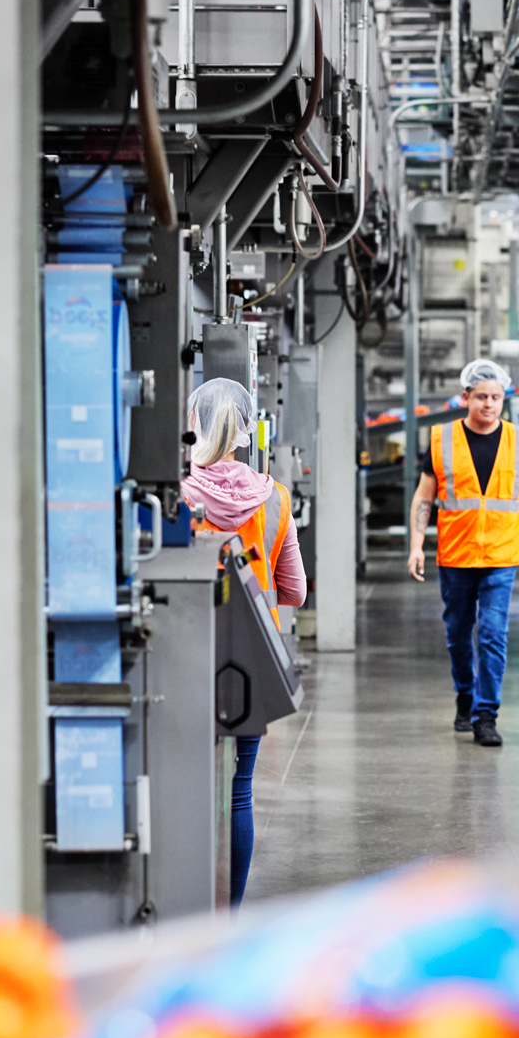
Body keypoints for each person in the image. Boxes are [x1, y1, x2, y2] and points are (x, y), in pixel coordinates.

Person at [180, 378, 307, 908]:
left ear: (195, 424)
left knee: (183, 781)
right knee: (239, 791)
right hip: (250, 662)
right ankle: (228, 910)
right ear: (246, 429)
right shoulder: (274, 496)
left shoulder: (179, 492)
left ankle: (181, 901)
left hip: (184, 657)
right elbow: (295, 591)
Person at [408, 359, 519, 747]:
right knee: (456, 632)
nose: (489, 404)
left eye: (496, 397)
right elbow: (424, 495)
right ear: (466, 397)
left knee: (491, 633)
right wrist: (417, 545)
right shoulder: (441, 439)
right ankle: (465, 695)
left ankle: (487, 714)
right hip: (456, 554)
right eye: (481, 397)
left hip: (502, 556)